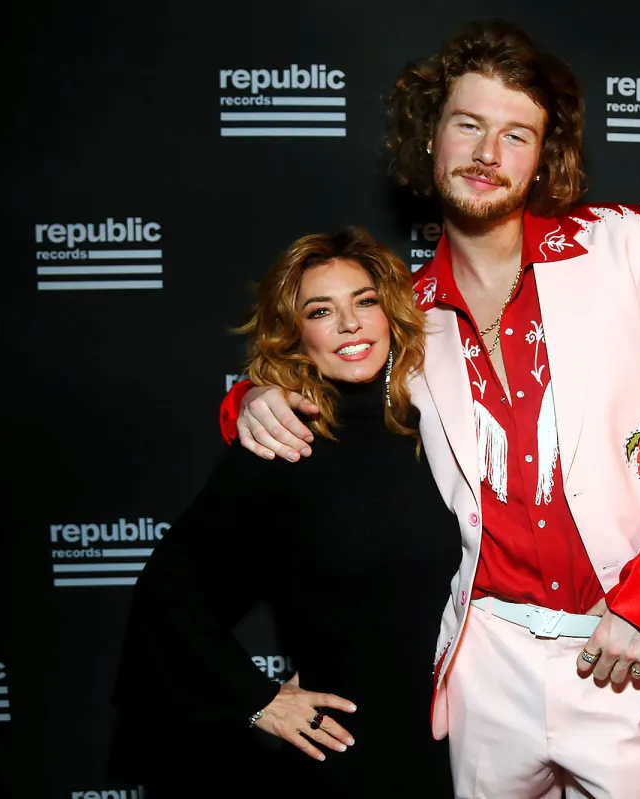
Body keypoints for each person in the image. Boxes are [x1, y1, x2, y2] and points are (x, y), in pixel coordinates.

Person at [219, 20, 640, 799]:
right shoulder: (404, 313)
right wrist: (251, 398)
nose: (487, 153)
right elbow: (316, 373)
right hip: (485, 665)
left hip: (622, 652)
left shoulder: (628, 245)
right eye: (468, 125)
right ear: (430, 136)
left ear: (544, 155)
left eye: (516, 135)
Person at [108, 228, 460, 797]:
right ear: (295, 335)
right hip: (348, 755)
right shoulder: (284, 441)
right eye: (321, 311)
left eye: (365, 302)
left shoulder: (440, 428)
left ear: (392, 314)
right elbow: (169, 591)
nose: (349, 324)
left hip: (467, 743)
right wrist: (259, 700)